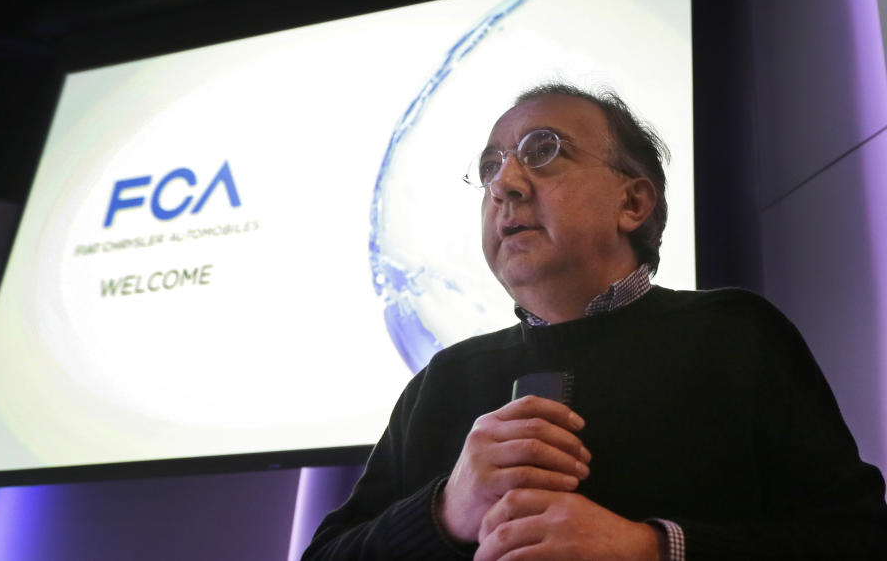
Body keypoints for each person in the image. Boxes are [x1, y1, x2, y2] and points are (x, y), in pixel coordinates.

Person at [302, 84, 887, 560]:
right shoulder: (443, 380)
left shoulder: (736, 335)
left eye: (543, 150)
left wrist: (653, 549)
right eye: (489, 167)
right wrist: (445, 512)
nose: (503, 185)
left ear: (632, 203)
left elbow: (857, 540)